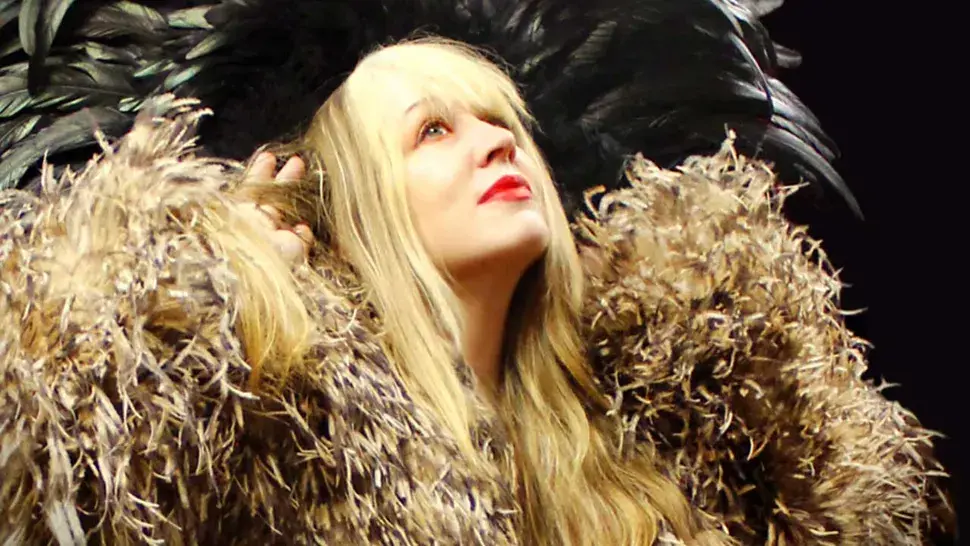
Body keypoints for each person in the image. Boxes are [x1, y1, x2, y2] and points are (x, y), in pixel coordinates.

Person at [0, 37, 949, 545]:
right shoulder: (273, 445)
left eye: (503, 123)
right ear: (359, 210)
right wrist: (199, 285)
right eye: (433, 131)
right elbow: (48, 473)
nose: (498, 143)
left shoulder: (653, 456)